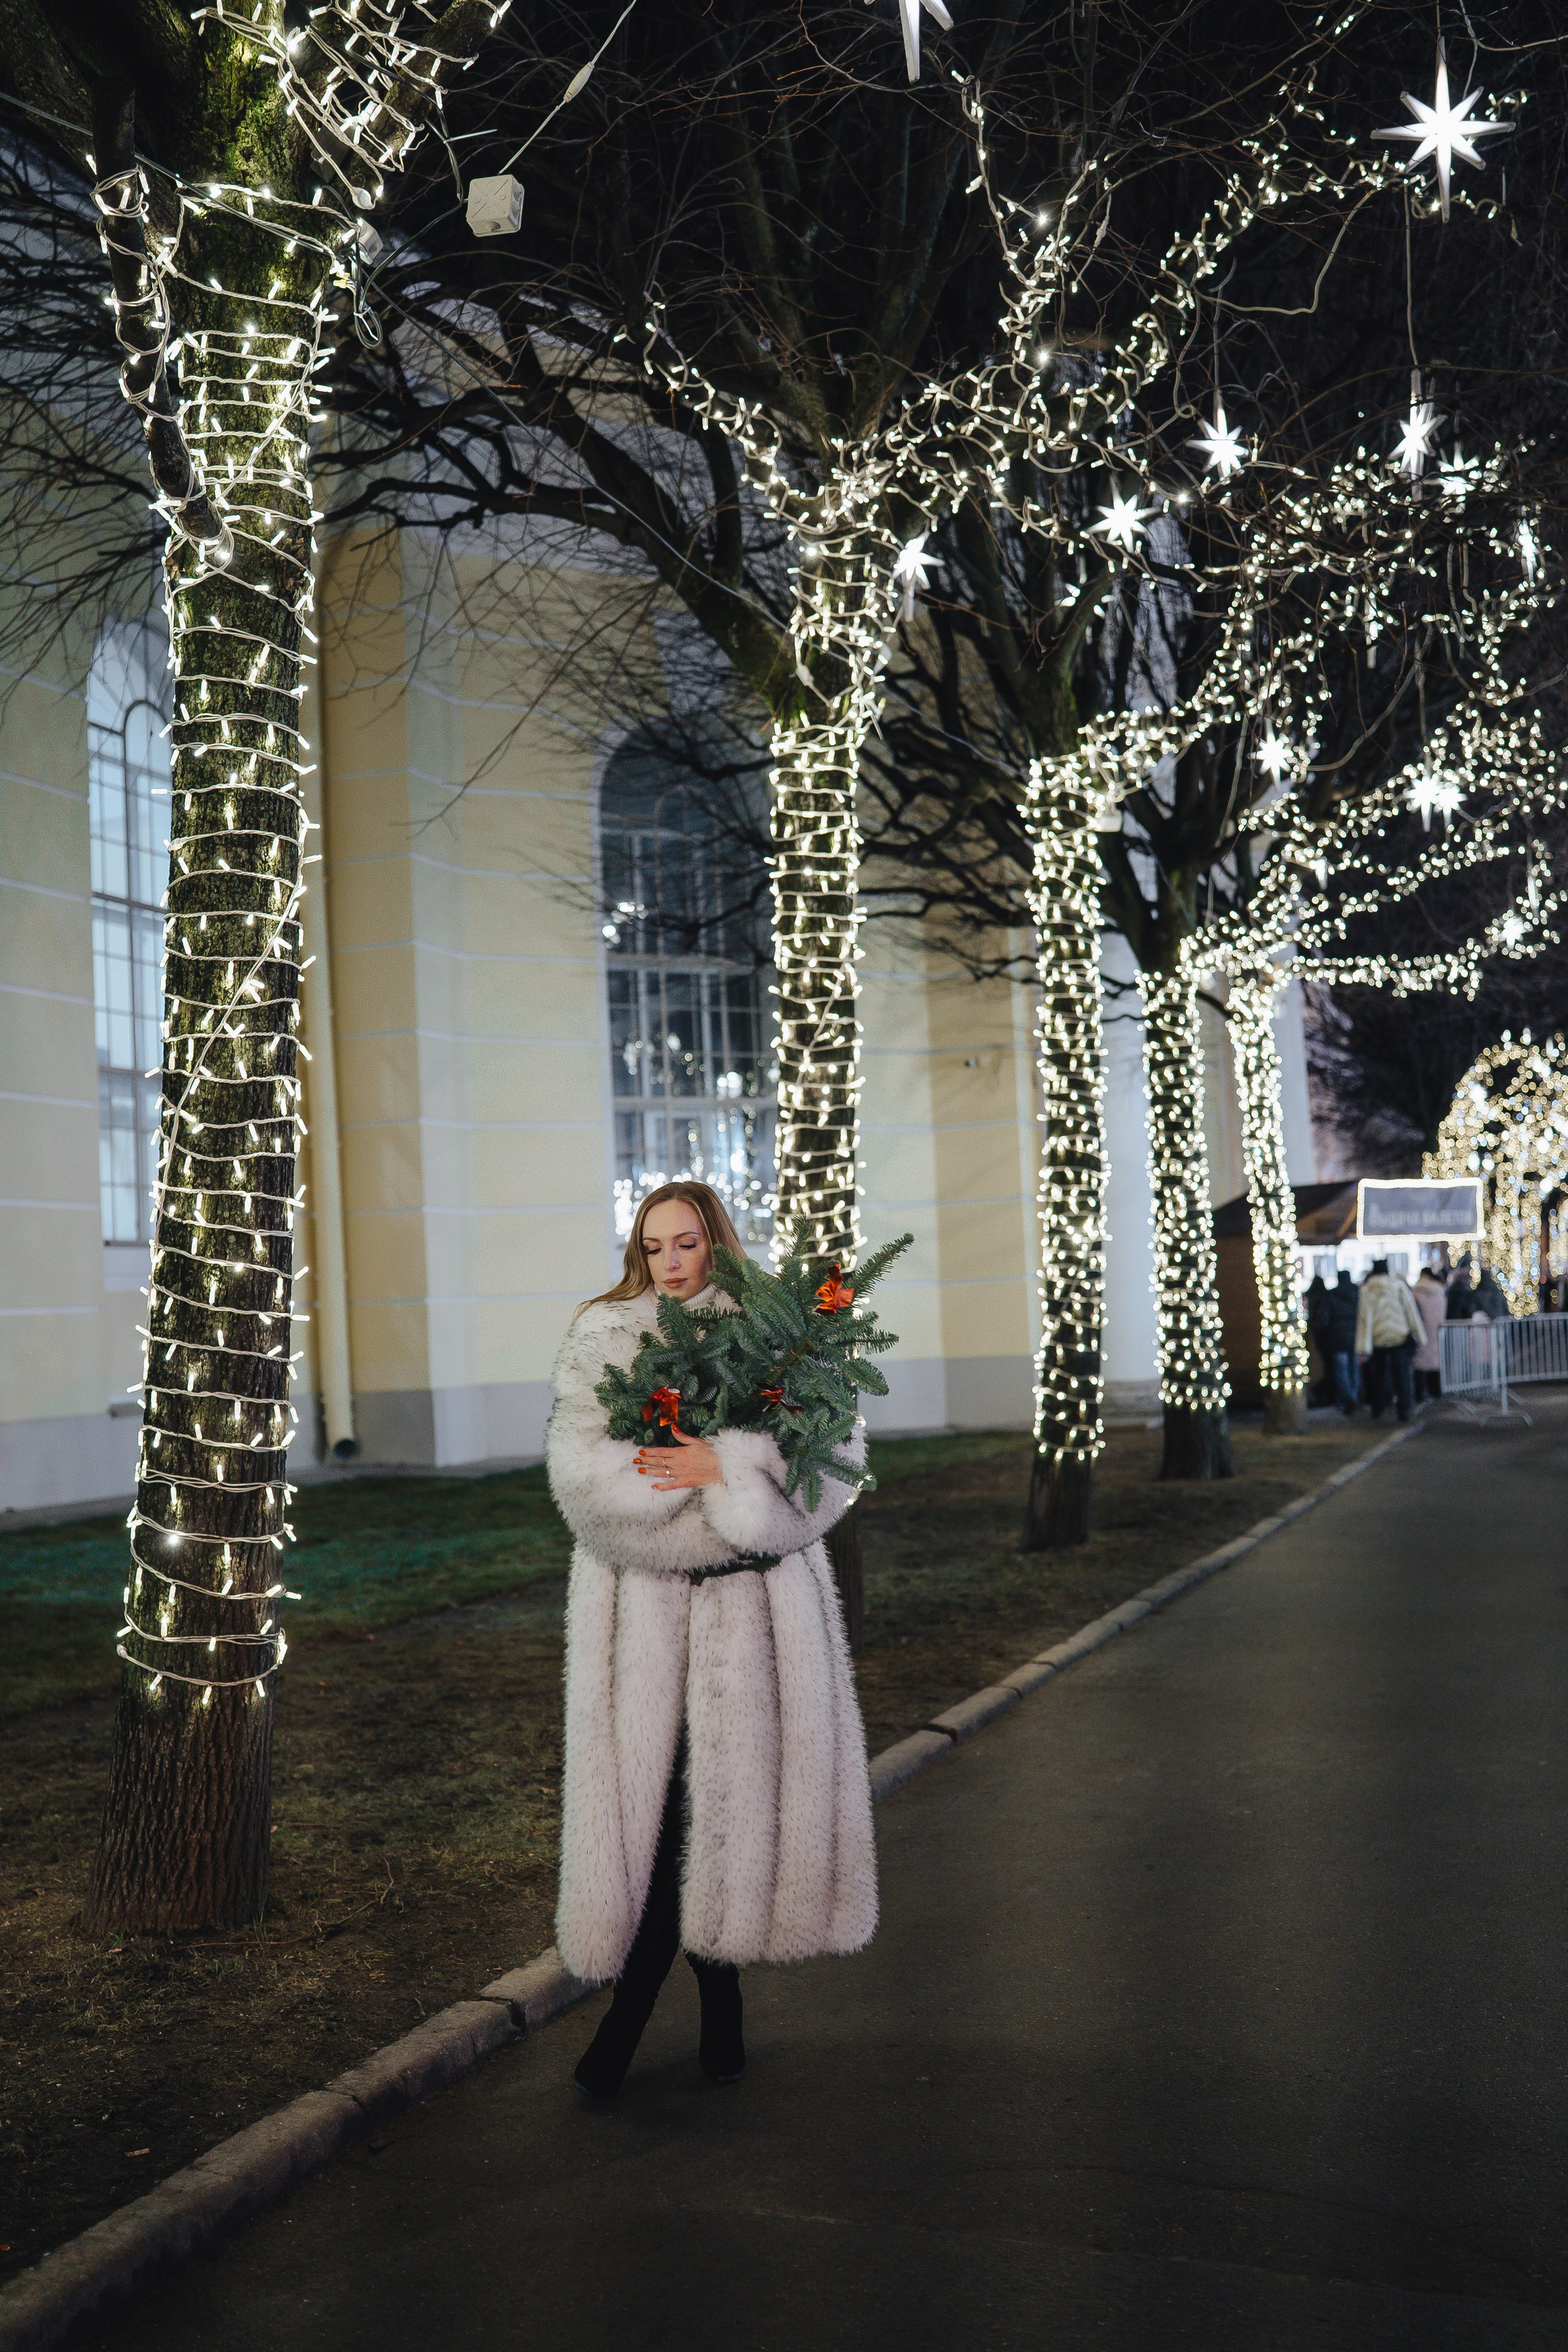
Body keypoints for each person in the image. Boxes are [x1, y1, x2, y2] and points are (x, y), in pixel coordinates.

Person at [545, 1180, 876, 2100]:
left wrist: (719, 1464)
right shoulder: (607, 1339)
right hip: (641, 1629)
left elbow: (831, 1472)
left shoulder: (779, 1333)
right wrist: (727, 1504)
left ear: (716, 1241)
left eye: (687, 1242)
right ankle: (645, 2012)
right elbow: (591, 1493)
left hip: (755, 1631)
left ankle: (710, 2004)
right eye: (655, 1248)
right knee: (654, 1829)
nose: (673, 1262)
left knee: (717, 1819)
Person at [1355, 1256, 1426, 1422]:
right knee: (1402, 1376)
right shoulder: (1399, 1286)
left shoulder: (1367, 1289)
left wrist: (1363, 1346)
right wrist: (1420, 1336)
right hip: (1399, 1336)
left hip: (1378, 1338)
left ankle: (1378, 1409)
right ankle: (1404, 1410)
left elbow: (1365, 1319)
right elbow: (1411, 1312)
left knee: (1379, 1376)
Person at [1322, 1268, 1362, 1415]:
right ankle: (1354, 1396)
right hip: (1356, 1337)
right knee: (1355, 1370)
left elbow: (1324, 1318)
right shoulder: (1358, 1292)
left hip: (1337, 1338)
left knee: (1341, 1371)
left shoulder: (1331, 1295)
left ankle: (1349, 1397)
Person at [1411, 1265, 1447, 1402]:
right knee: (1435, 1363)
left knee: (1419, 1365)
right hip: (1438, 1332)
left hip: (1422, 1332)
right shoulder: (1440, 1292)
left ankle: (1419, 1396)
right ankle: (1436, 1393)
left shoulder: (1416, 1293)